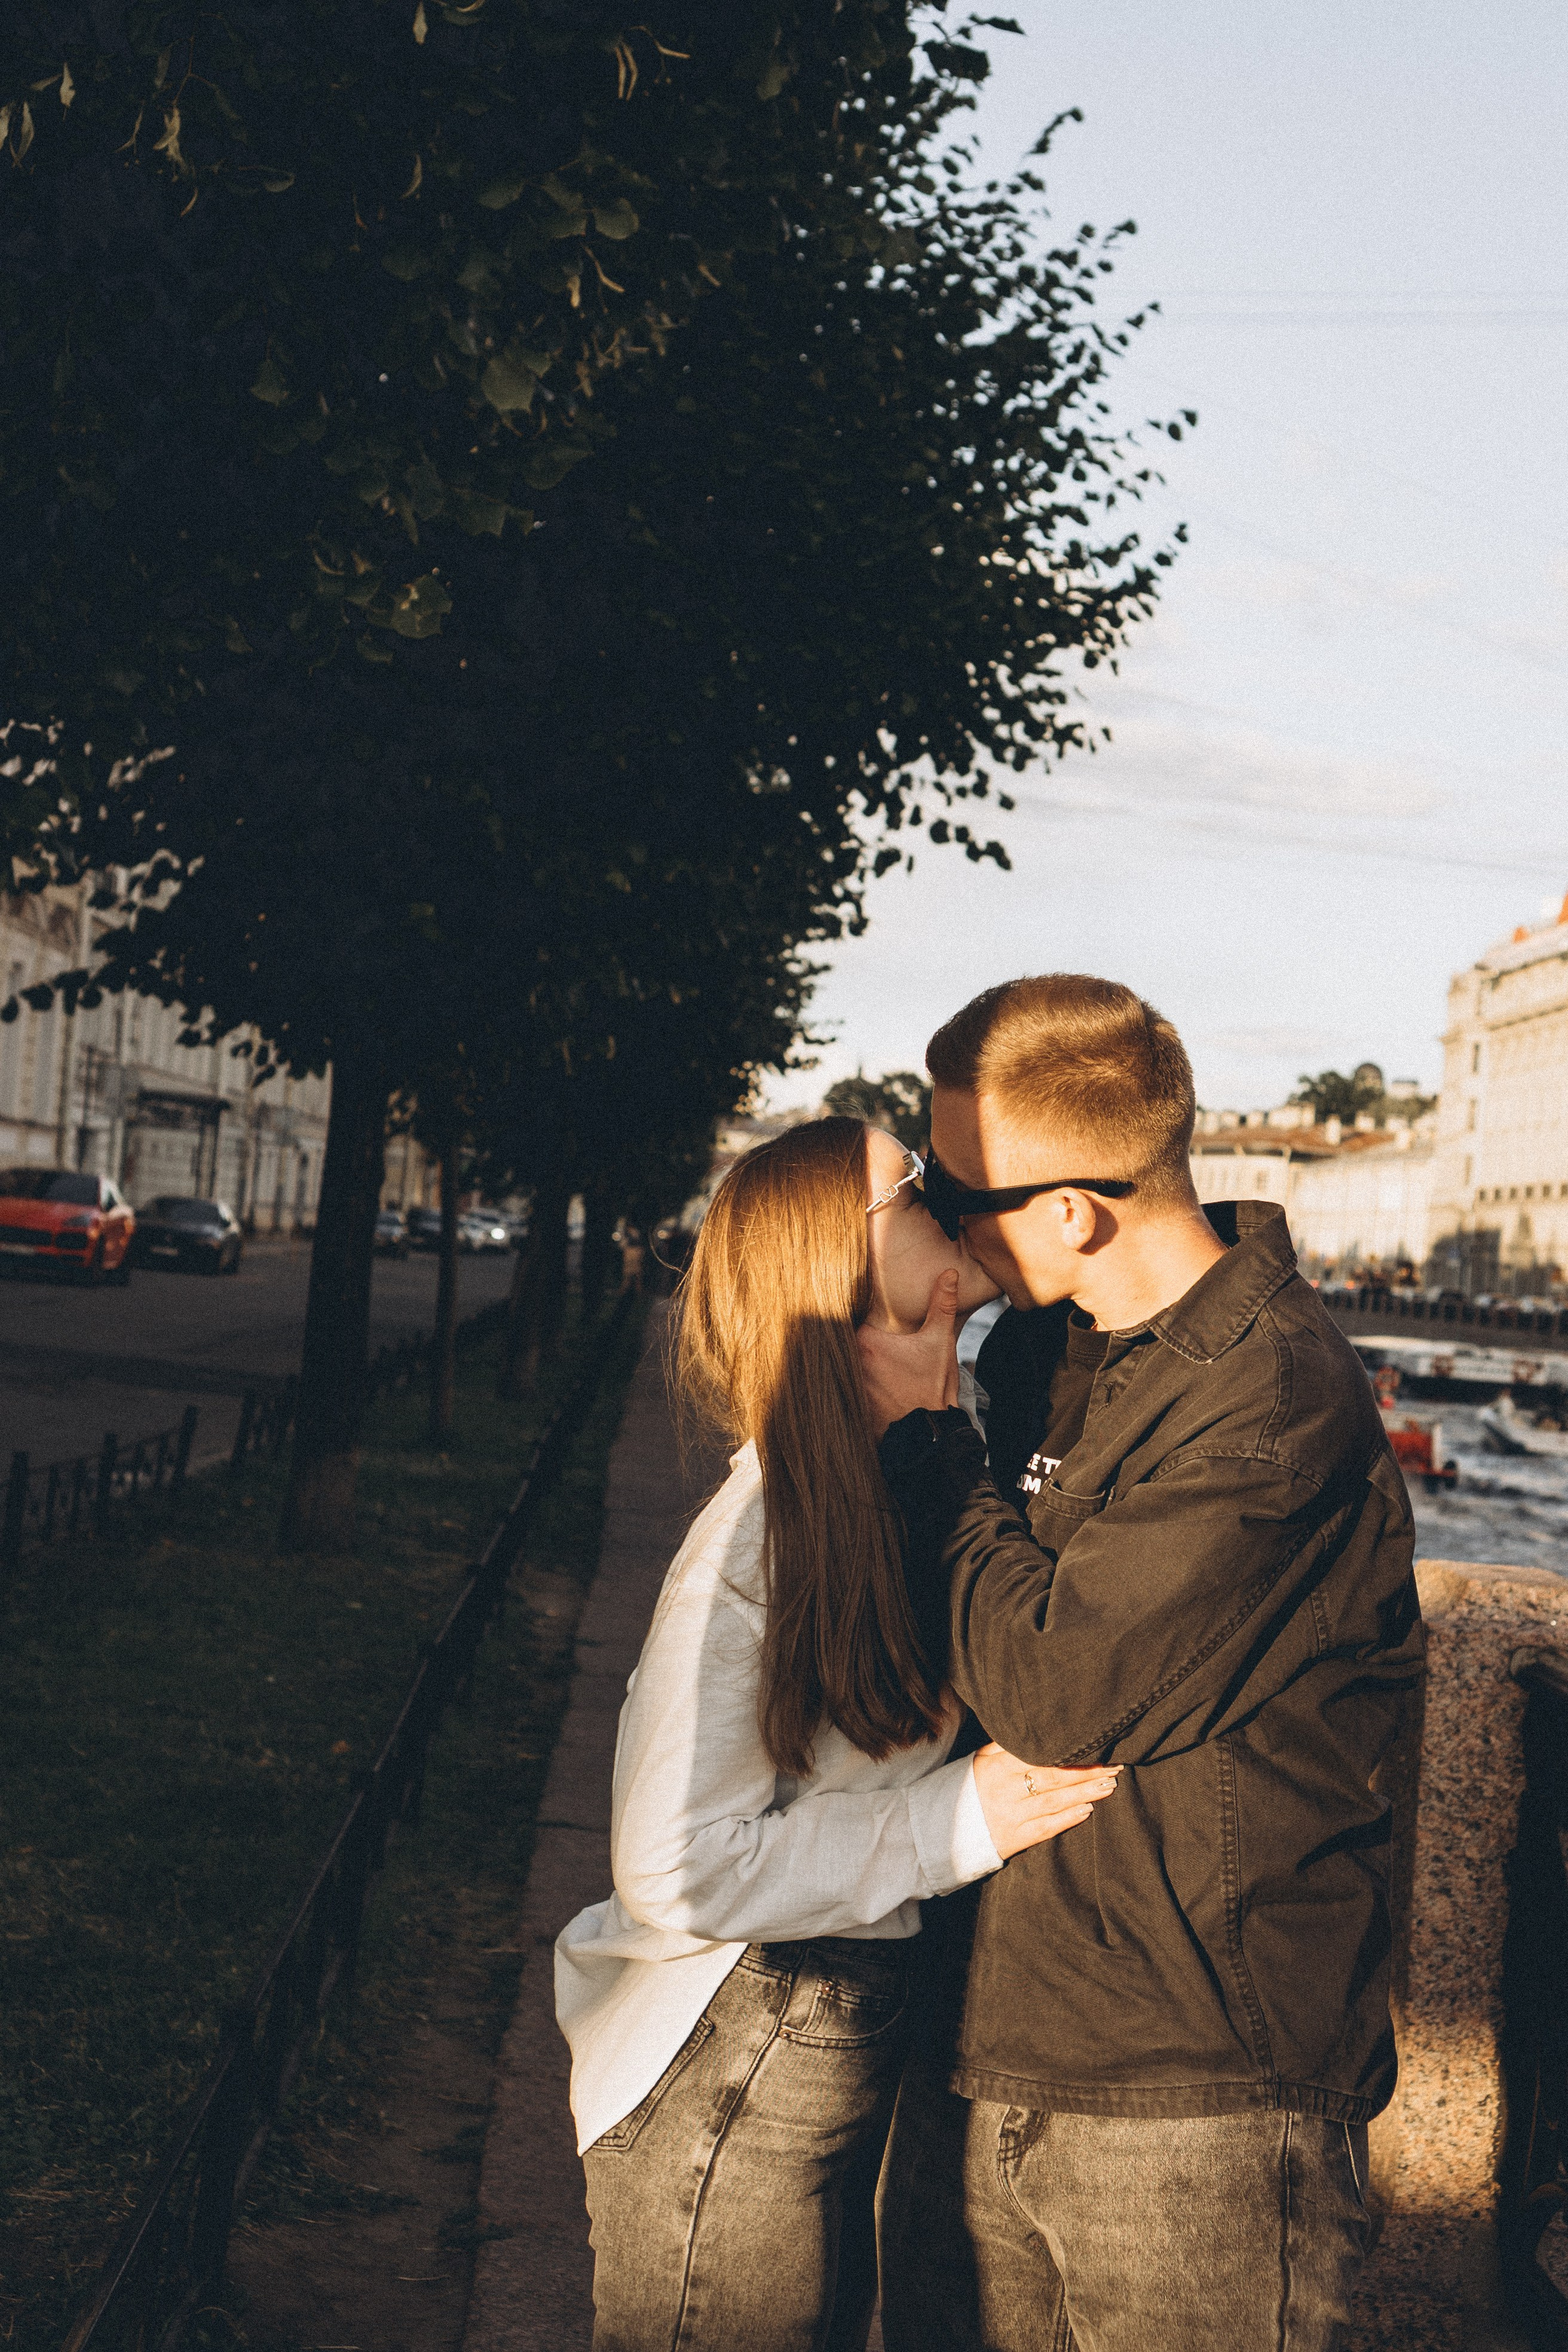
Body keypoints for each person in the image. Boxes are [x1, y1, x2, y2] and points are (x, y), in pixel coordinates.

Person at [856, 976, 1425, 2352]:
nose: (939, 1215)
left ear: (1072, 1211)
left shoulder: (1274, 1398)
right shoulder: (1042, 1347)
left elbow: (1056, 1691)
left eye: (954, 1189)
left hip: (1195, 2097)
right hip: (985, 2033)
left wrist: (926, 1440)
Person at [555, 1116, 1119, 2352]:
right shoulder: (767, 1525)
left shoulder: (903, 1469)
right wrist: (955, 1820)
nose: (948, 1200)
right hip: (734, 2045)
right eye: (913, 1188)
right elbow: (672, 1865)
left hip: (807, 2037)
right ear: (835, 1261)